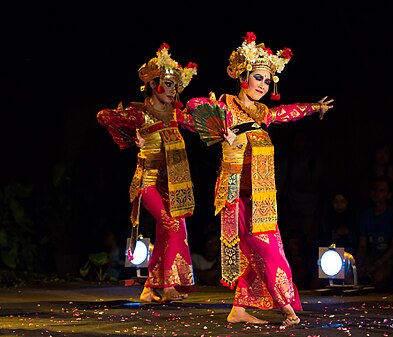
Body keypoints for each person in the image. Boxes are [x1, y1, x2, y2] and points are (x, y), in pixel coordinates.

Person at [185, 32, 334, 326]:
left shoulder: (262, 112)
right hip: (235, 194)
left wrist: (313, 108)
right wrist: (224, 134)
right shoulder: (225, 106)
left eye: (268, 81)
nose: (263, 85)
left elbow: (285, 113)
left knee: (265, 249)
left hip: (261, 197)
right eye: (258, 78)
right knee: (266, 250)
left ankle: (239, 309)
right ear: (242, 76)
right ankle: (284, 306)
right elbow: (193, 108)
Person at [97, 42, 198, 303]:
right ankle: (166, 287)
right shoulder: (141, 114)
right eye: (167, 83)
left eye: (175, 85)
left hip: (173, 185)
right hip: (148, 182)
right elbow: (104, 116)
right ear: (153, 85)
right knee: (170, 223)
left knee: (173, 229)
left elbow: (199, 125)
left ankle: (150, 287)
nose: (172, 90)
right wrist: (133, 137)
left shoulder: (177, 114)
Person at [356, 175, 393, 292]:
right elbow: (362, 245)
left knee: (379, 276)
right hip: (372, 255)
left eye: (382, 191)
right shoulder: (366, 215)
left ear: (389, 195)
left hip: (389, 257)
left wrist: (376, 264)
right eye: (375, 189)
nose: (377, 193)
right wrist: (357, 265)